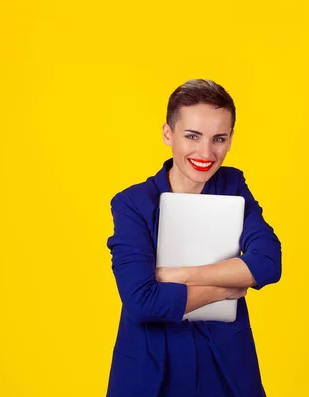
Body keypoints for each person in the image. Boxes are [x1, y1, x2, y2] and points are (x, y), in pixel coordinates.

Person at [106, 79, 282, 396]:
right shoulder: (132, 203)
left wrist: (180, 275)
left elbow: (268, 263)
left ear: (230, 141)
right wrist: (223, 287)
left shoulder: (233, 186)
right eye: (192, 136)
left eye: (219, 139)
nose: (206, 152)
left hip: (226, 369)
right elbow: (141, 302)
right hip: (152, 371)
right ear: (167, 134)